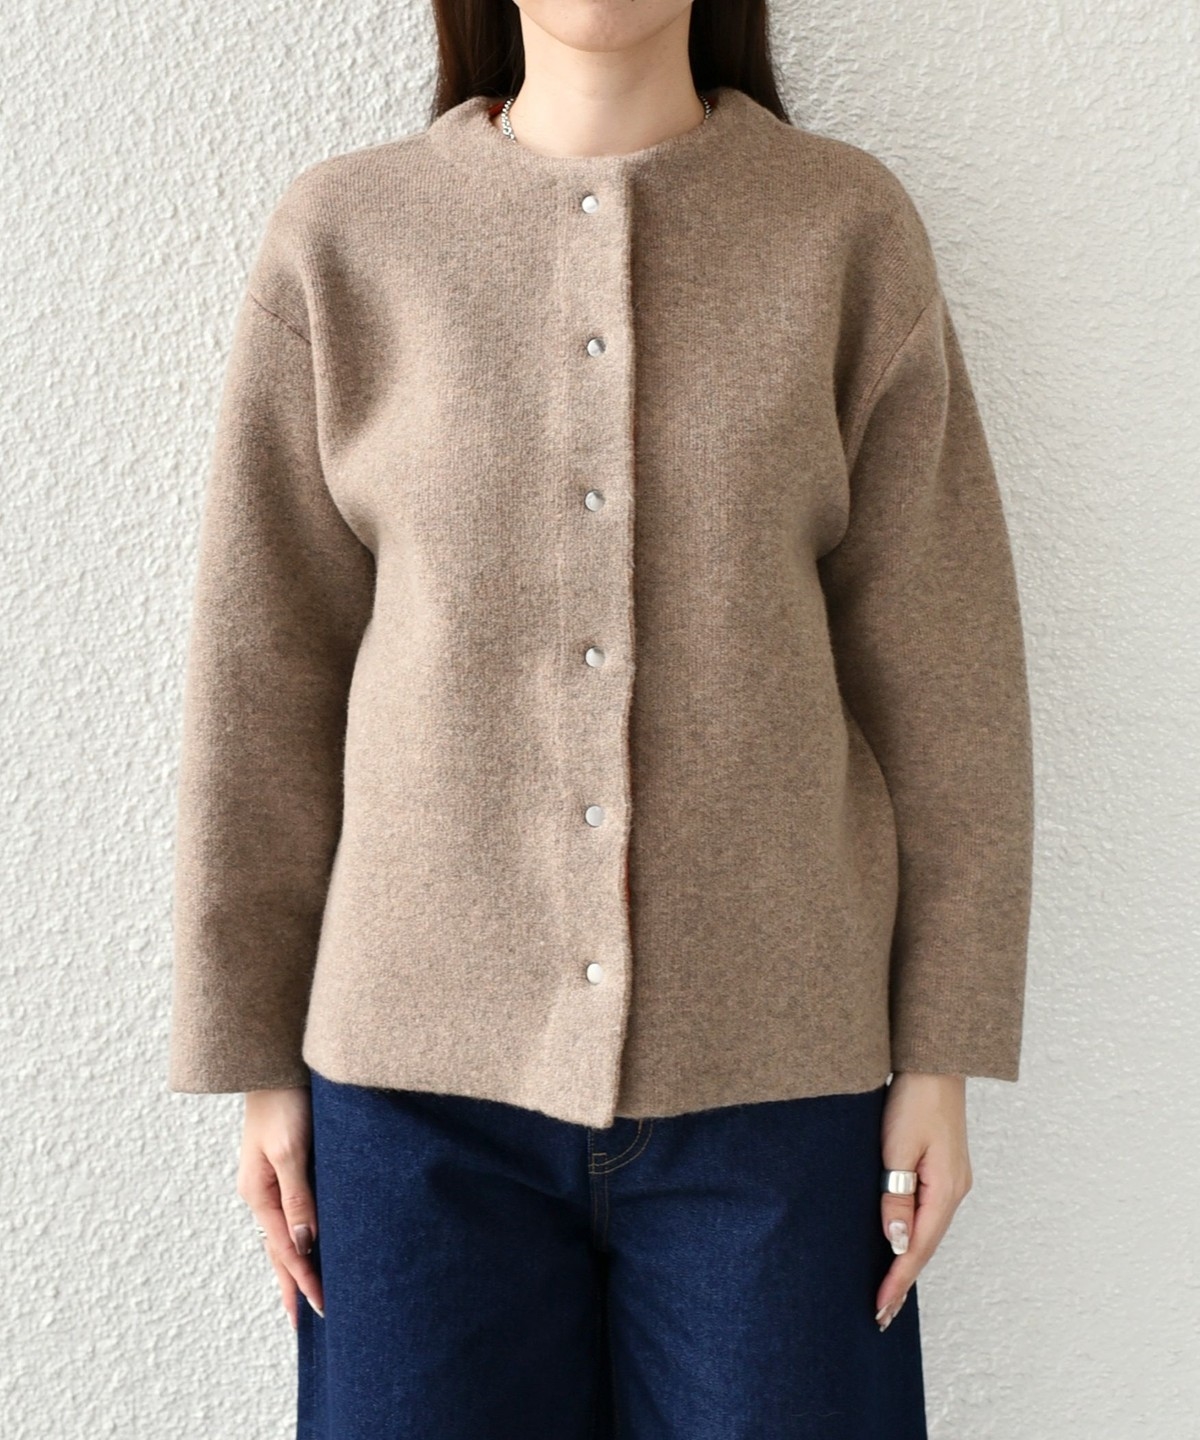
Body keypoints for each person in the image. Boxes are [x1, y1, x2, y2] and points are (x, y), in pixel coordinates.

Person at [166, 2, 1035, 1436]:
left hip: (781, 1089)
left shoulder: (843, 229)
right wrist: (255, 1061)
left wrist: (940, 1050)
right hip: (407, 1104)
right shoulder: (348, 238)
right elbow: (263, 675)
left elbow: (946, 677)